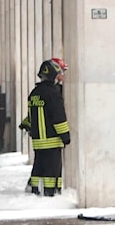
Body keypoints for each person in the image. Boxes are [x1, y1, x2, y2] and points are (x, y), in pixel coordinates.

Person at [19, 59, 71, 197]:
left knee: (39, 166)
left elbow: (30, 116)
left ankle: (35, 190)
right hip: (52, 140)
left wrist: (26, 125)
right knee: (52, 170)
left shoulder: (34, 93)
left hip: (38, 141)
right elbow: (58, 118)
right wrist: (65, 136)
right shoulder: (53, 94)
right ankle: (50, 194)